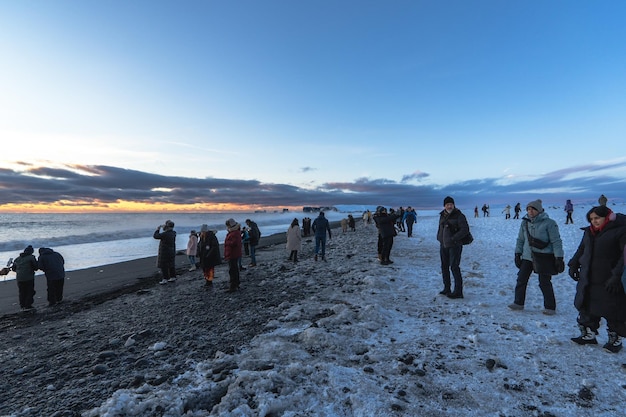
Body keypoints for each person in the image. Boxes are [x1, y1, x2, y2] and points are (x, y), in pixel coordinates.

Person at [568, 206, 626, 353]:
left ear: (607, 217)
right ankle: (588, 334)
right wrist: (574, 263)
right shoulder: (589, 232)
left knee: (613, 309)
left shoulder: (620, 231)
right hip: (589, 276)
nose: (594, 221)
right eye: (592, 219)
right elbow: (582, 249)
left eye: (597, 218)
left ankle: (615, 339)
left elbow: (623, 257)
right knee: (587, 304)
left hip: (609, 278)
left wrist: (616, 275)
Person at [509, 199, 564, 315]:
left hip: (544, 257)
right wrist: (517, 253)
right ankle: (518, 303)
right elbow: (520, 240)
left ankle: (550, 307)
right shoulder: (525, 223)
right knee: (521, 279)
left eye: (533, 209)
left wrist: (559, 258)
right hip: (527, 256)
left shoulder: (549, 223)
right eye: (528, 209)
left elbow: (556, 241)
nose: (530, 211)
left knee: (544, 282)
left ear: (539, 210)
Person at [437, 197, 471, 299]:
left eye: (451, 204)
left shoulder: (459, 216)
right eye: (447, 204)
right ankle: (447, 288)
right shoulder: (442, 215)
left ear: (454, 205)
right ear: (444, 206)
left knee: (454, 267)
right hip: (443, 245)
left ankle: (458, 291)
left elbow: (465, 230)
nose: (449, 206)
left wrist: (453, 238)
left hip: (455, 246)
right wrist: (439, 238)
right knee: (444, 267)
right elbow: (441, 229)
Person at [11, 245, 38, 311]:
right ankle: (28, 305)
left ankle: (22, 305)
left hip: (19, 278)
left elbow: (13, 269)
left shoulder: (17, 259)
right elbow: (35, 267)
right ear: (31, 252)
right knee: (30, 291)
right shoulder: (31, 257)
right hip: (29, 277)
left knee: (22, 292)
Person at [153, 220, 177, 285]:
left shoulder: (165, 234)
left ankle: (165, 278)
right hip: (171, 250)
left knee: (164, 266)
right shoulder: (173, 233)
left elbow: (155, 236)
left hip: (165, 251)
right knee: (171, 264)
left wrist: (158, 229)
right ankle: (173, 276)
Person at [224, 218, 242, 292]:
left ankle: (233, 285)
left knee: (232, 270)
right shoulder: (236, 232)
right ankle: (236, 284)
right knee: (234, 269)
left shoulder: (234, 233)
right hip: (233, 253)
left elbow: (234, 243)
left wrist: (227, 243)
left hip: (232, 254)